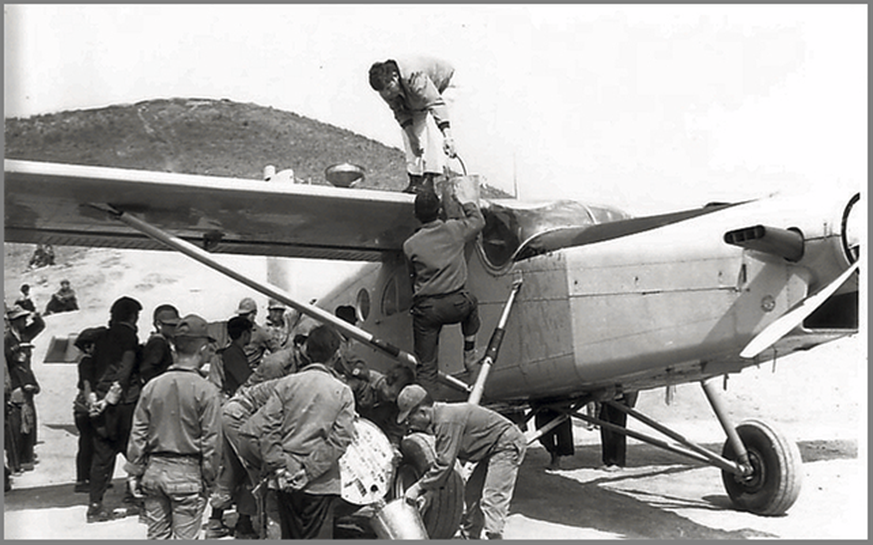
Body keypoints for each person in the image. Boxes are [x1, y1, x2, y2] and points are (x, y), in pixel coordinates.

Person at [238, 325, 355, 539]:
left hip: (285, 479)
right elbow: (340, 440)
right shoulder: (342, 392)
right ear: (337, 355)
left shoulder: (287, 384)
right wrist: (309, 472)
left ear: (307, 351)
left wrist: (281, 468)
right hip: (321, 482)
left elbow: (268, 428)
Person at [125, 314, 222, 539]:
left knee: (156, 537)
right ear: (203, 349)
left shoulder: (152, 386)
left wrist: (134, 472)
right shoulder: (206, 390)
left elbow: (138, 433)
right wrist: (210, 479)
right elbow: (212, 442)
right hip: (188, 474)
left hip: (154, 472)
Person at [397, 384, 526, 540]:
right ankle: (470, 536)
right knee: (472, 493)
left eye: (410, 417)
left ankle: (494, 536)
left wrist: (418, 488)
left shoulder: (446, 420)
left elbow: (444, 465)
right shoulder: (441, 418)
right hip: (491, 448)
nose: (409, 423)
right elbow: (445, 465)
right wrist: (429, 491)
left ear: (423, 412)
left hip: (506, 444)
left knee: (493, 499)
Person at [403, 189, 485, 395]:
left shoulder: (410, 245)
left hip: (427, 310)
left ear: (416, 215)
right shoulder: (454, 229)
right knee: (472, 302)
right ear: (439, 211)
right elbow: (478, 221)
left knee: (426, 367)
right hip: (457, 305)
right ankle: (469, 352)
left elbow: (411, 277)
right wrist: (466, 202)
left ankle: (427, 411)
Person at [86, 296, 143, 523]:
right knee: (135, 450)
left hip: (100, 401)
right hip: (123, 404)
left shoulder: (101, 336)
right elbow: (126, 368)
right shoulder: (128, 335)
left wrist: (95, 397)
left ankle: (95, 506)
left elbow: (92, 367)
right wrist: (113, 396)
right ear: (132, 317)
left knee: (101, 456)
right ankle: (137, 497)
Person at [369, 56, 458, 194]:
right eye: (382, 91)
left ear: (394, 77)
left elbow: (435, 103)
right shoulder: (386, 89)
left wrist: (448, 137)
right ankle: (415, 179)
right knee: (409, 133)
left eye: (388, 88)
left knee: (432, 126)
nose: (387, 94)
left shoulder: (414, 76)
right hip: (414, 95)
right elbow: (401, 113)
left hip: (442, 85)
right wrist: (412, 139)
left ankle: (429, 179)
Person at [4, 305, 46, 473]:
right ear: (15, 321)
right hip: (14, 383)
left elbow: (39, 326)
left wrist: (37, 317)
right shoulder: (7, 339)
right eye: (22, 319)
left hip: (27, 380)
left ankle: (26, 458)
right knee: (16, 426)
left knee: (28, 422)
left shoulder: (24, 334)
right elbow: (7, 364)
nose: (25, 322)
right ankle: (16, 462)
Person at [73, 326, 107, 493]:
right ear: (88, 346)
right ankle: (82, 480)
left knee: (88, 444)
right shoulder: (87, 361)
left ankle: (87, 478)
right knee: (88, 444)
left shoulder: (85, 359)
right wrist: (91, 403)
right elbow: (87, 384)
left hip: (83, 406)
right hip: (85, 407)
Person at [139, 304, 180, 385]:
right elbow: (147, 370)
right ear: (159, 325)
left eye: (176, 324)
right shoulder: (158, 343)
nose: (175, 328)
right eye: (171, 325)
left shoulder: (162, 341)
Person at [598, 392, 639, 471]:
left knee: (618, 433)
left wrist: (630, 403)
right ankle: (608, 461)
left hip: (620, 401)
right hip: (606, 401)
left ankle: (617, 461)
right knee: (607, 433)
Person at [215, 315, 254, 398]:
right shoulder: (233, 353)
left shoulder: (233, 351)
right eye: (250, 332)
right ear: (245, 334)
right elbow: (245, 380)